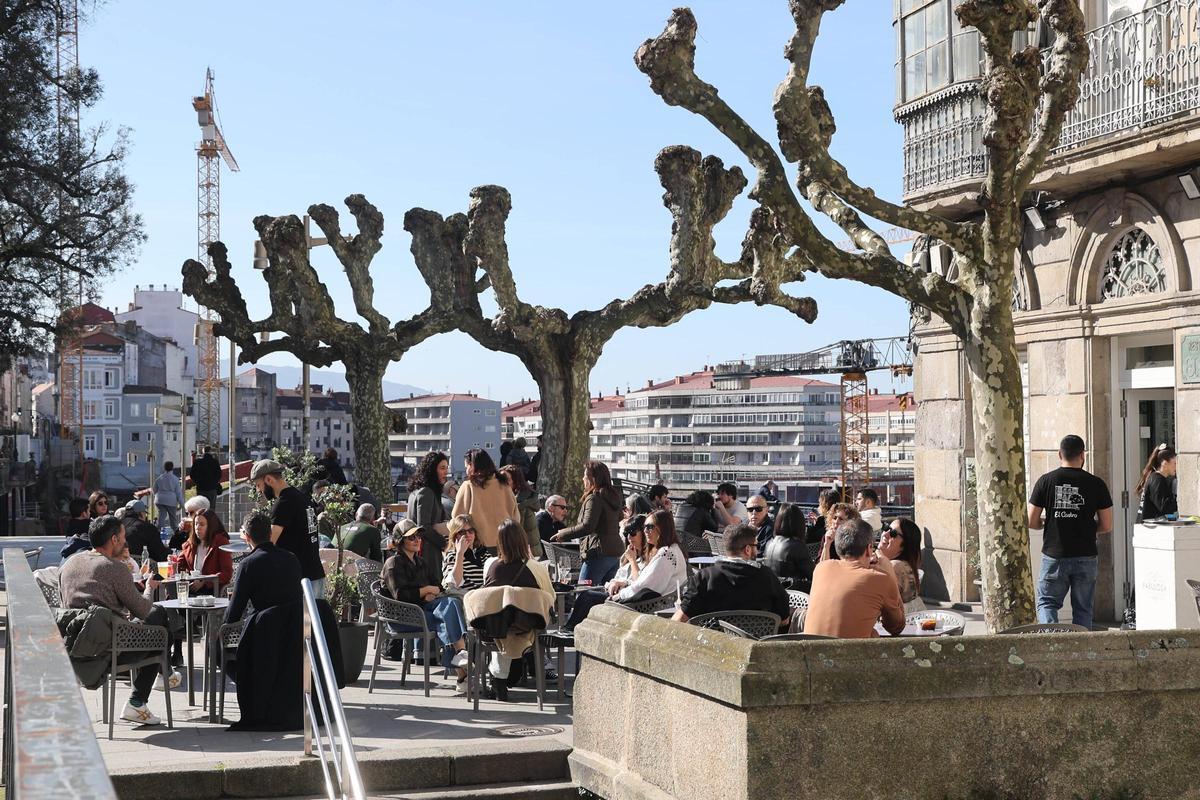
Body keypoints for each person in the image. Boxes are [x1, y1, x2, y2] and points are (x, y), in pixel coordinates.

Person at [59, 515, 177, 725]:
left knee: (157, 621)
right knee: (160, 623)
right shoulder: (114, 568)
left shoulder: (70, 563)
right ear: (113, 539)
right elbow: (142, 610)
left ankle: (164, 674)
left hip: (75, 646)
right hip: (113, 647)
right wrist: (150, 587)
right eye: (123, 537)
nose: (125, 542)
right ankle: (139, 699)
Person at [224, 511, 304, 731]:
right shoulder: (291, 558)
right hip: (295, 632)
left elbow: (235, 610)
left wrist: (221, 630)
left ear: (247, 538)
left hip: (265, 633)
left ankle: (256, 701)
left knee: (218, 649)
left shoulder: (248, 564)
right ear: (270, 533)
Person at [1028, 434, 1113, 630]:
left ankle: (1051, 647)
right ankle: (1081, 653)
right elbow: (1107, 525)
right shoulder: (1096, 483)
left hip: (1054, 555)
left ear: (1060, 454)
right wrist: (1088, 529)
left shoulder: (1046, 481)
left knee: (1047, 604)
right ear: (1083, 455)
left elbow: (1031, 521)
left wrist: (1046, 524)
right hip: (1086, 555)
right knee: (1083, 610)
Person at [471, 519, 555, 697]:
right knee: (519, 623)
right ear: (523, 540)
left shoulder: (491, 565)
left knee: (502, 621)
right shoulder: (536, 567)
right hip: (527, 625)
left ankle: (499, 678)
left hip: (494, 628)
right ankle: (517, 668)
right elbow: (550, 597)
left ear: (499, 541)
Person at [382, 524, 470, 693]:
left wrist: (433, 592)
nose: (417, 540)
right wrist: (426, 591)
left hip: (423, 610)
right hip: (402, 617)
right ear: (401, 541)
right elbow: (399, 595)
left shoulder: (420, 561)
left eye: (419, 537)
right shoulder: (393, 563)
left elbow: (437, 585)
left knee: (450, 604)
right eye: (411, 537)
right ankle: (462, 666)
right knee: (445, 619)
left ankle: (462, 664)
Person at [804, 519, 905, 638]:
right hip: (850, 655)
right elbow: (896, 627)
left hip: (812, 653)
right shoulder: (880, 579)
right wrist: (889, 573)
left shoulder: (821, 568)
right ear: (868, 549)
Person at [672, 524, 790, 624]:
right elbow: (784, 619)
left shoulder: (704, 578)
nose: (757, 550)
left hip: (715, 646)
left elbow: (680, 619)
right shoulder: (767, 577)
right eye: (756, 546)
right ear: (747, 549)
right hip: (756, 645)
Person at [251, 459, 327, 597]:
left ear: (268, 479)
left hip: (298, 580)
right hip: (315, 575)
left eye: (258, 485)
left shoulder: (284, 503)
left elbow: (267, 543)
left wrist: (249, 538)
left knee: (299, 619)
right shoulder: (302, 498)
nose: (259, 490)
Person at [551, 460, 623, 584]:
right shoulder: (612, 497)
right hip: (615, 554)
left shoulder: (594, 498)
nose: (583, 479)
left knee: (583, 594)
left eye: (585, 476)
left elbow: (587, 526)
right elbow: (619, 517)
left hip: (598, 553)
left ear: (592, 479)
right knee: (603, 595)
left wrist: (563, 534)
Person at [452, 448, 519, 552]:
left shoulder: (469, 486)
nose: (466, 470)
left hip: (478, 546)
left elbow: (457, 517)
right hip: (505, 544)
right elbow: (516, 517)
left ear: (472, 465)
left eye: (467, 466)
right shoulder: (504, 485)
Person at [180, 509, 234, 593]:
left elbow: (226, 574)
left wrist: (204, 581)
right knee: (172, 590)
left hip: (212, 589)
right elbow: (180, 565)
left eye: (202, 524)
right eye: (196, 524)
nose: (197, 528)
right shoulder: (190, 543)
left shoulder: (221, 542)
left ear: (211, 526)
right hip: (191, 587)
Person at [763, 503, 814, 591]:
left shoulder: (769, 543)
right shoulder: (797, 546)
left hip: (772, 591)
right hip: (794, 595)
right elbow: (812, 574)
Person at [407, 451, 451, 550]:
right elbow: (424, 526)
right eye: (442, 468)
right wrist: (444, 543)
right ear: (432, 470)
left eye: (447, 467)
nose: (446, 472)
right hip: (427, 549)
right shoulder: (426, 492)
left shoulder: (417, 490)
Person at [879, 517, 923, 607]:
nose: (885, 534)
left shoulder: (895, 566)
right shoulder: (893, 563)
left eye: (893, 533)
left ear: (905, 546)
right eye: (887, 528)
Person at [501, 464, 543, 558]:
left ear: (515, 482)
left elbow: (518, 533)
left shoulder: (521, 505)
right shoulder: (517, 501)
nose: (502, 482)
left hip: (526, 555)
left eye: (505, 479)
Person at [441, 515, 487, 596]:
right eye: (462, 532)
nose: (467, 535)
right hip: (463, 599)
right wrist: (460, 554)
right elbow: (454, 584)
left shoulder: (484, 554)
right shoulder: (452, 556)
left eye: (471, 531)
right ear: (455, 536)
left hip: (484, 597)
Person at [1137, 444, 1178, 521]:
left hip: (1148, 526)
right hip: (1148, 528)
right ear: (1165, 463)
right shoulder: (1157, 480)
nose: (1176, 466)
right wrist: (1179, 500)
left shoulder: (1156, 478)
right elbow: (1164, 507)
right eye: (1174, 463)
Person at [674, 489, 720, 556]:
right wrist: (713, 510)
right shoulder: (701, 510)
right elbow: (714, 528)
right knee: (714, 547)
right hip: (693, 548)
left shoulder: (681, 507)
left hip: (679, 546)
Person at [153, 461, 185, 535]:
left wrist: (157, 495)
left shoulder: (159, 478)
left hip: (159, 500)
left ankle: (157, 533)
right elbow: (178, 492)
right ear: (172, 468)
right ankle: (177, 534)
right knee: (173, 519)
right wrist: (182, 504)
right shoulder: (175, 479)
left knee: (161, 517)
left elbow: (154, 489)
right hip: (171, 501)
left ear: (164, 468)